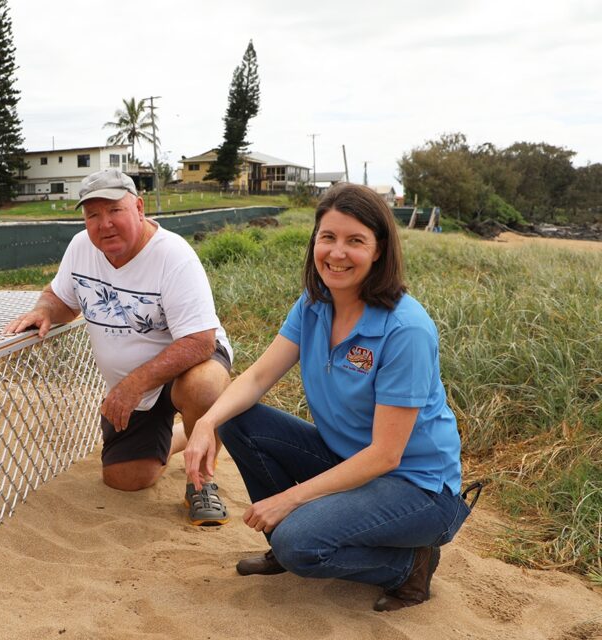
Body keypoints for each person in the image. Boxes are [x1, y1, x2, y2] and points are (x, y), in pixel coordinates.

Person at [184, 183, 472, 610]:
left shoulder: (405, 329)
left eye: (355, 241)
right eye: (328, 238)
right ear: (314, 241)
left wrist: (290, 499)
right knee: (237, 418)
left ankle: (410, 565)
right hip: (348, 461)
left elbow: (385, 456)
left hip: (418, 490)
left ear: (379, 250)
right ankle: (282, 543)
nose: (337, 253)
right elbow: (259, 375)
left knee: (299, 543)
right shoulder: (314, 304)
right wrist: (205, 423)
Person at [4, 169, 233, 525]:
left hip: (188, 363)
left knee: (202, 388)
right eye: (93, 214)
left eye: (114, 211)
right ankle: (185, 437)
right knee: (125, 480)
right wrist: (43, 311)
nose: (104, 224)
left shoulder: (174, 256)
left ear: (139, 208)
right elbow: (59, 297)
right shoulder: (81, 248)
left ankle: (202, 484)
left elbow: (199, 340)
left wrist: (133, 384)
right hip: (134, 384)